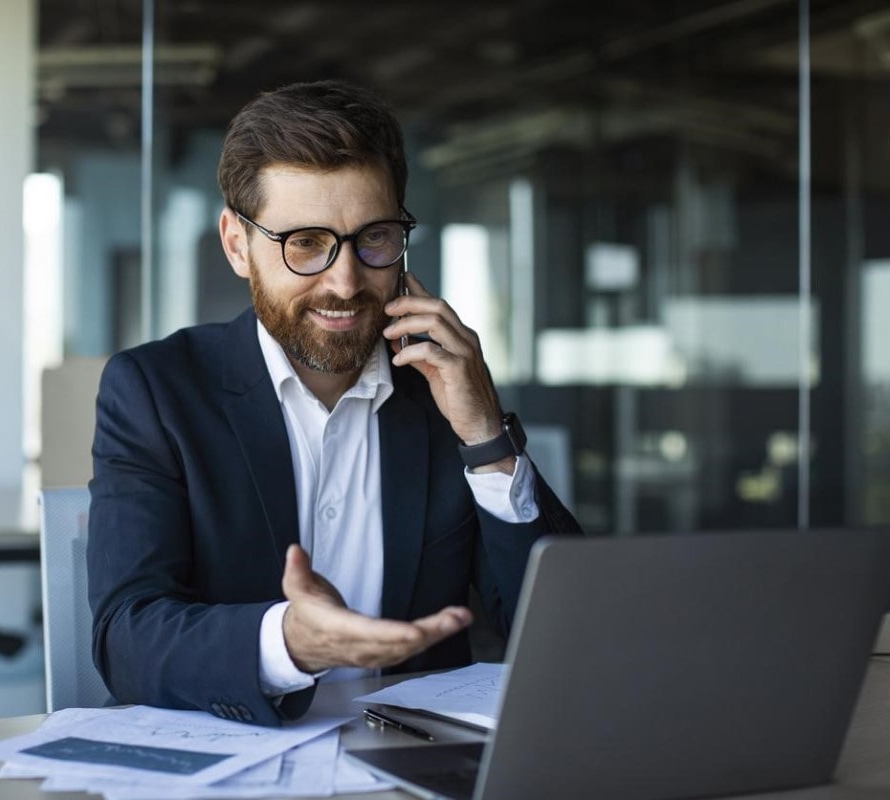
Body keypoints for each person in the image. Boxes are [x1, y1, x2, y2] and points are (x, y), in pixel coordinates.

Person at [87, 79, 581, 727]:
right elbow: (126, 634)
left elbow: (569, 637)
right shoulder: (156, 390)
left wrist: (486, 434)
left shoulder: (444, 391)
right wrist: (290, 642)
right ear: (238, 244)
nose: (345, 282)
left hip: (421, 768)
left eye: (374, 238)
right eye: (306, 244)